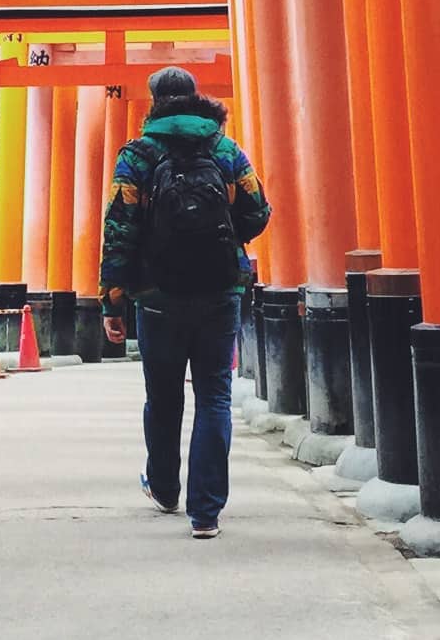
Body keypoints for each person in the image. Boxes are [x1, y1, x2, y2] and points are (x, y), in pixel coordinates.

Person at [99, 66, 270, 540]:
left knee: (164, 395)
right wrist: (225, 238)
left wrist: (112, 302)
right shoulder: (224, 149)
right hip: (219, 290)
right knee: (214, 395)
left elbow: (119, 230)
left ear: (153, 102)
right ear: (196, 98)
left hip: (155, 295)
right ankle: (206, 513)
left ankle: (164, 488)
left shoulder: (137, 155)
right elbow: (259, 211)